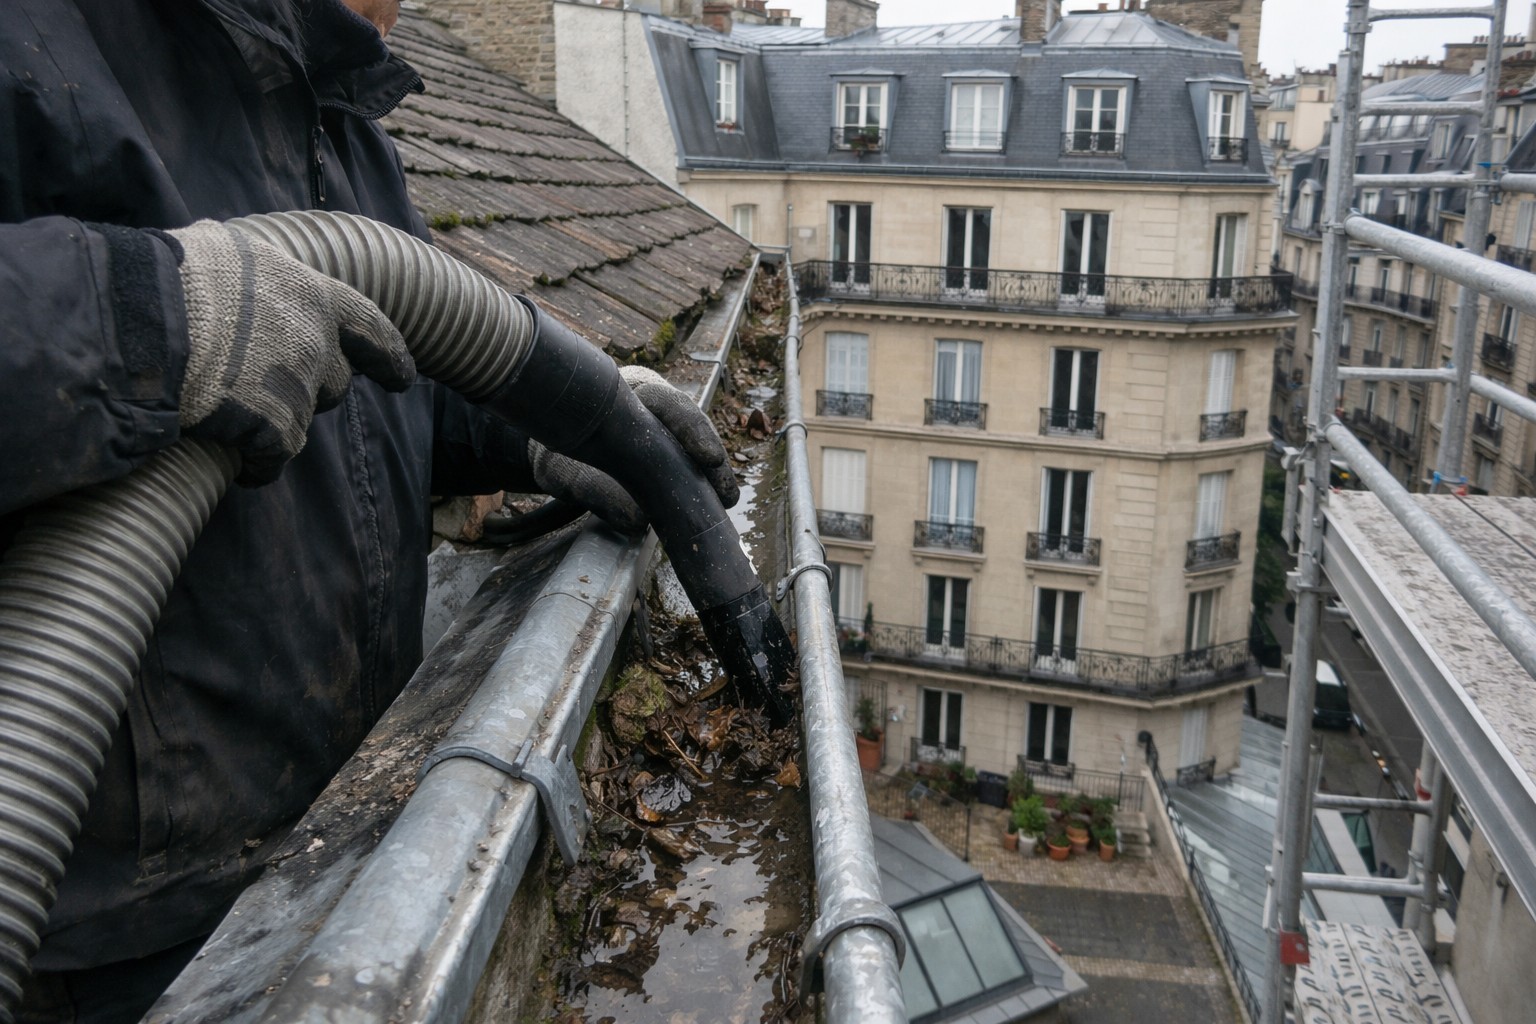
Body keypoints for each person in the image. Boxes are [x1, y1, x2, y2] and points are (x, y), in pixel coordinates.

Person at [0, 2, 733, 1020]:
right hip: (110, 944)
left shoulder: (332, 112)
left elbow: (387, 362)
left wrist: (541, 429)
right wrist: (141, 320)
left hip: (345, 853)